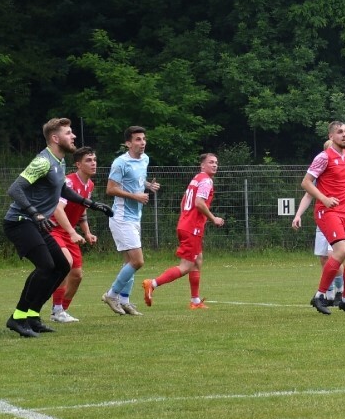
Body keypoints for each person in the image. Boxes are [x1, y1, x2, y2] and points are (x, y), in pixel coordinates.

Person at [2, 118, 113, 338]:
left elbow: (62, 190)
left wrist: (90, 204)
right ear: (55, 138)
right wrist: (35, 212)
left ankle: (33, 316)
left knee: (62, 265)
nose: (73, 137)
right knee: (45, 266)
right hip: (20, 222)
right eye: (69, 133)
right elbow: (15, 189)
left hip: (36, 223)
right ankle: (17, 317)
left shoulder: (59, 161)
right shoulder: (43, 162)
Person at [142, 153, 225, 309]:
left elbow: (183, 202)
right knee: (186, 266)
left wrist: (185, 219)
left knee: (197, 260)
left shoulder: (196, 179)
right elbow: (199, 203)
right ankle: (152, 283)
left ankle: (195, 301)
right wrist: (213, 219)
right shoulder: (206, 181)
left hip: (186, 225)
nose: (214, 165)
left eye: (216, 163)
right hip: (191, 228)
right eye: (211, 162)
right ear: (203, 165)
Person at [293, 140, 345, 304]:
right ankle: (329, 294)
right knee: (324, 257)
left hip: (341, 218)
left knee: (338, 253)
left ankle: (337, 293)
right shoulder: (321, 169)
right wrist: (298, 215)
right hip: (325, 218)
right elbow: (308, 193)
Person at [101, 126, 160, 316]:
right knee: (137, 261)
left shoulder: (145, 159)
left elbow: (137, 181)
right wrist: (135, 196)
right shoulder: (120, 163)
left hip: (135, 217)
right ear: (128, 143)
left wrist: (148, 185)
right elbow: (110, 189)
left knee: (129, 262)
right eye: (137, 139)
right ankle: (111, 295)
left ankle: (125, 301)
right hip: (121, 217)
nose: (142, 142)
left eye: (143, 139)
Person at [48, 147, 100, 323]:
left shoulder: (90, 185)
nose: (93, 163)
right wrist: (72, 232)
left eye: (94, 160)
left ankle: (62, 310)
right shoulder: (68, 183)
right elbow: (57, 209)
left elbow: (82, 212)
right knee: (65, 265)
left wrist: (87, 232)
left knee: (77, 275)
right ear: (78, 164)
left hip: (69, 233)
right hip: (54, 229)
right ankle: (56, 310)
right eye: (88, 160)